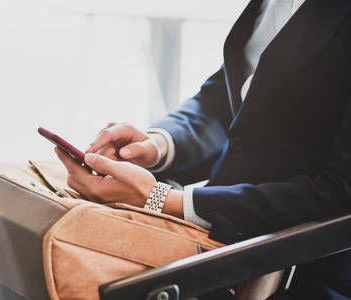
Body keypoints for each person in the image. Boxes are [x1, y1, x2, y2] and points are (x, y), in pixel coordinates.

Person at [55, 0, 351, 299]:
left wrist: (162, 200)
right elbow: (229, 95)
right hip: (213, 249)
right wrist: (159, 144)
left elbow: (341, 191)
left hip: (300, 275)